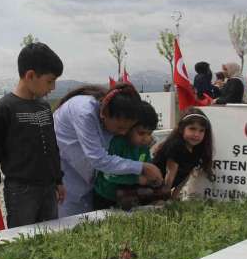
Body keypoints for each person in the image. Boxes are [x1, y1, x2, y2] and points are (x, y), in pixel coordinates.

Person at [0, 42, 65, 229]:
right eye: (50, 81)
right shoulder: (4, 109)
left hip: (49, 187)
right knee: (23, 239)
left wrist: (58, 180)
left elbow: (52, 146)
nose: (52, 87)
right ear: (30, 76)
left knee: (51, 237)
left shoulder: (44, 106)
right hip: (21, 191)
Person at [54, 83, 164, 217]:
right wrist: (141, 168)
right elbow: (98, 159)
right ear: (104, 114)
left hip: (86, 176)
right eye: (120, 128)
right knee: (66, 223)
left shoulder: (113, 117)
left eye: (128, 128)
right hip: (66, 172)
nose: (123, 133)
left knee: (86, 221)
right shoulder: (85, 112)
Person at [92, 101, 160, 210]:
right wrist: (136, 179)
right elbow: (109, 175)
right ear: (128, 127)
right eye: (141, 133)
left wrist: (152, 179)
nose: (146, 138)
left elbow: (147, 167)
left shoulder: (144, 146)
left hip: (127, 195)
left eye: (149, 133)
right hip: (105, 196)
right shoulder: (117, 143)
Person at [153, 108, 213, 200]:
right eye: (192, 129)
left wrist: (174, 197)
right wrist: (164, 198)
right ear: (181, 129)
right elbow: (170, 173)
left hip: (166, 186)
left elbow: (186, 175)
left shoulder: (198, 149)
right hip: (152, 185)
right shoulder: (176, 145)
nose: (197, 134)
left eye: (201, 130)